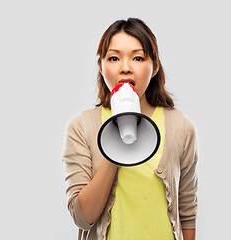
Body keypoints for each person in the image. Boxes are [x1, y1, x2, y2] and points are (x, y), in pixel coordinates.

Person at [62, 18, 199, 240]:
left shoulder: (181, 127)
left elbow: (187, 211)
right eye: (114, 58)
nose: (125, 68)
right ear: (101, 67)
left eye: (138, 57)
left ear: (154, 66)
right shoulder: (82, 127)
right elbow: (83, 217)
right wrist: (115, 145)